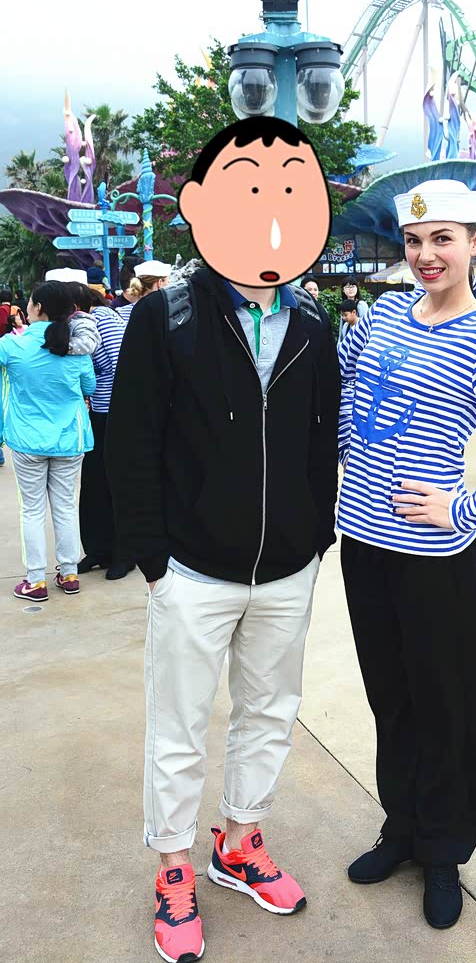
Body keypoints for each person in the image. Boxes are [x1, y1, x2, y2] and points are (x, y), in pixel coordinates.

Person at [105, 117, 340, 963]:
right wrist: (153, 558)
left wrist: (316, 535)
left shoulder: (312, 323)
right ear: (203, 207)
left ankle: (239, 842)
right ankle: (174, 867)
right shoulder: (165, 317)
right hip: (192, 569)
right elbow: (131, 442)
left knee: (270, 711)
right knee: (178, 724)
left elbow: (321, 439)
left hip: (287, 568)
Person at [337, 179, 476, 931]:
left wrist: (460, 509)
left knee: (443, 707)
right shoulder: (384, 315)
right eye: (414, 241)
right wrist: (346, 466)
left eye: (443, 240)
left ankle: (442, 850)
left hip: (431, 558)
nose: (426, 255)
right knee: (390, 698)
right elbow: (347, 386)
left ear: (474, 243)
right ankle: (400, 827)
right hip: (362, 543)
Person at [0, 281, 95, 602]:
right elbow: (89, 387)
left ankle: (35, 580)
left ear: (38, 307)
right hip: (69, 438)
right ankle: (69, 573)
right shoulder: (75, 348)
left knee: (32, 509)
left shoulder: (12, 346)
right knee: (66, 506)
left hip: (26, 440)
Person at [75, 286, 130, 579]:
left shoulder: (103, 318)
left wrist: (89, 374)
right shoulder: (79, 323)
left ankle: (124, 553)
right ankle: (97, 550)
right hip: (97, 411)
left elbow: (120, 363)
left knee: (116, 482)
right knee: (93, 483)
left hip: (115, 412)